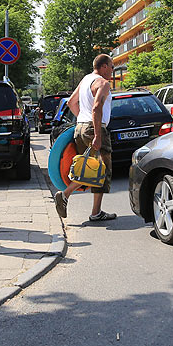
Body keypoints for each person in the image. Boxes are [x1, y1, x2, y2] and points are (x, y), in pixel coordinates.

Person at [54, 54, 117, 222]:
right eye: (112, 67)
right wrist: (97, 134)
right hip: (95, 129)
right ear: (103, 67)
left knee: (88, 168)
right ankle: (90, 209)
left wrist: (82, 119)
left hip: (80, 126)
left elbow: (71, 103)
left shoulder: (85, 80)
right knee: (102, 170)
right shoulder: (103, 83)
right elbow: (97, 108)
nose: (112, 70)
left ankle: (68, 197)